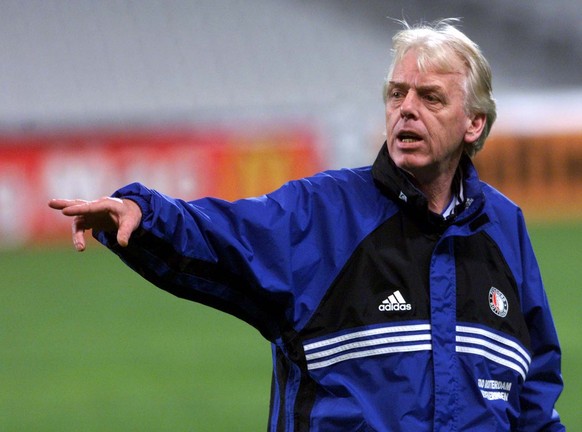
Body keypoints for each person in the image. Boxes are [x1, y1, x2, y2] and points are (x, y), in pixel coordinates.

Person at [49, 19, 565, 431]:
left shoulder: (503, 227)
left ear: (474, 123)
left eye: (430, 97)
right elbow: (225, 235)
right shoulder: (324, 211)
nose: (406, 109)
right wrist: (145, 216)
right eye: (396, 94)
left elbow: (534, 387)